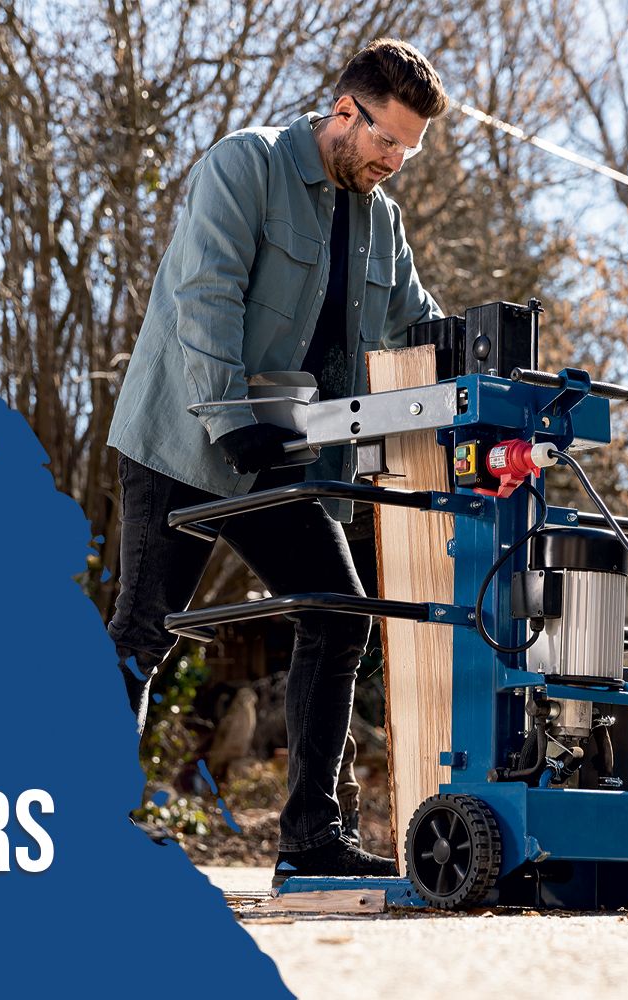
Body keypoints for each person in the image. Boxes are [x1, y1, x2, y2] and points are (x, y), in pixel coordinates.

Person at [106, 39, 449, 886]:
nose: (394, 162)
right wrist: (230, 417)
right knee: (144, 630)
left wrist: (487, 349)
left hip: (280, 455)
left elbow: (417, 324)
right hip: (185, 436)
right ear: (344, 113)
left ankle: (310, 838)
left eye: (408, 150)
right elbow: (207, 293)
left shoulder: (379, 221)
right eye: (385, 142)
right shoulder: (245, 165)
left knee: (339, 615)